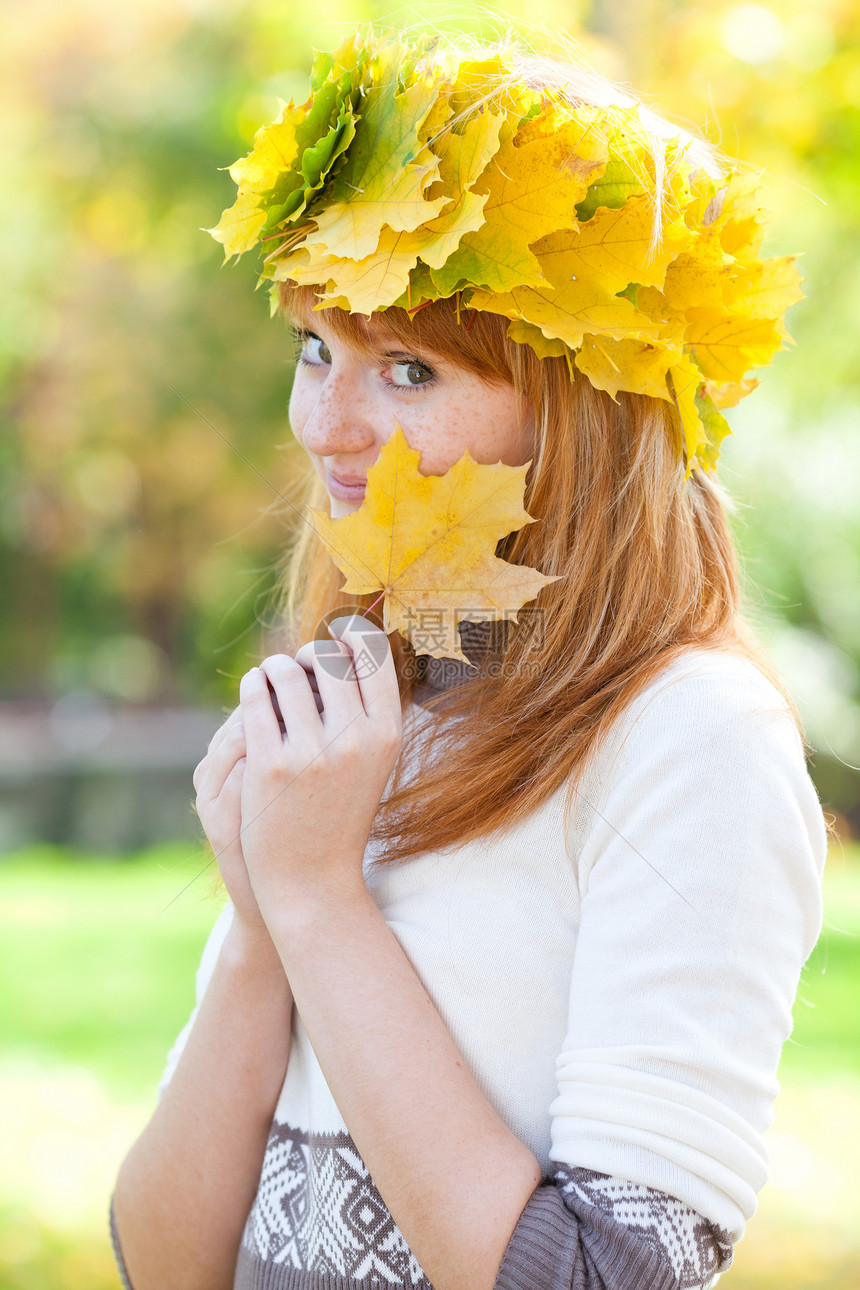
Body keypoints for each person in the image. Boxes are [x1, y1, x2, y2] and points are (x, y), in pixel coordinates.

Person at [110, 26, 829, 1290]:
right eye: (313, 349)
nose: (326, 425)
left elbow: (607, 1279)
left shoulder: (688, 740)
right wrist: (264, 919)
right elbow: (167, 1265)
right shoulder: (366, 725)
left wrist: (324, 904)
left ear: (579, 414)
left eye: (406, 368)